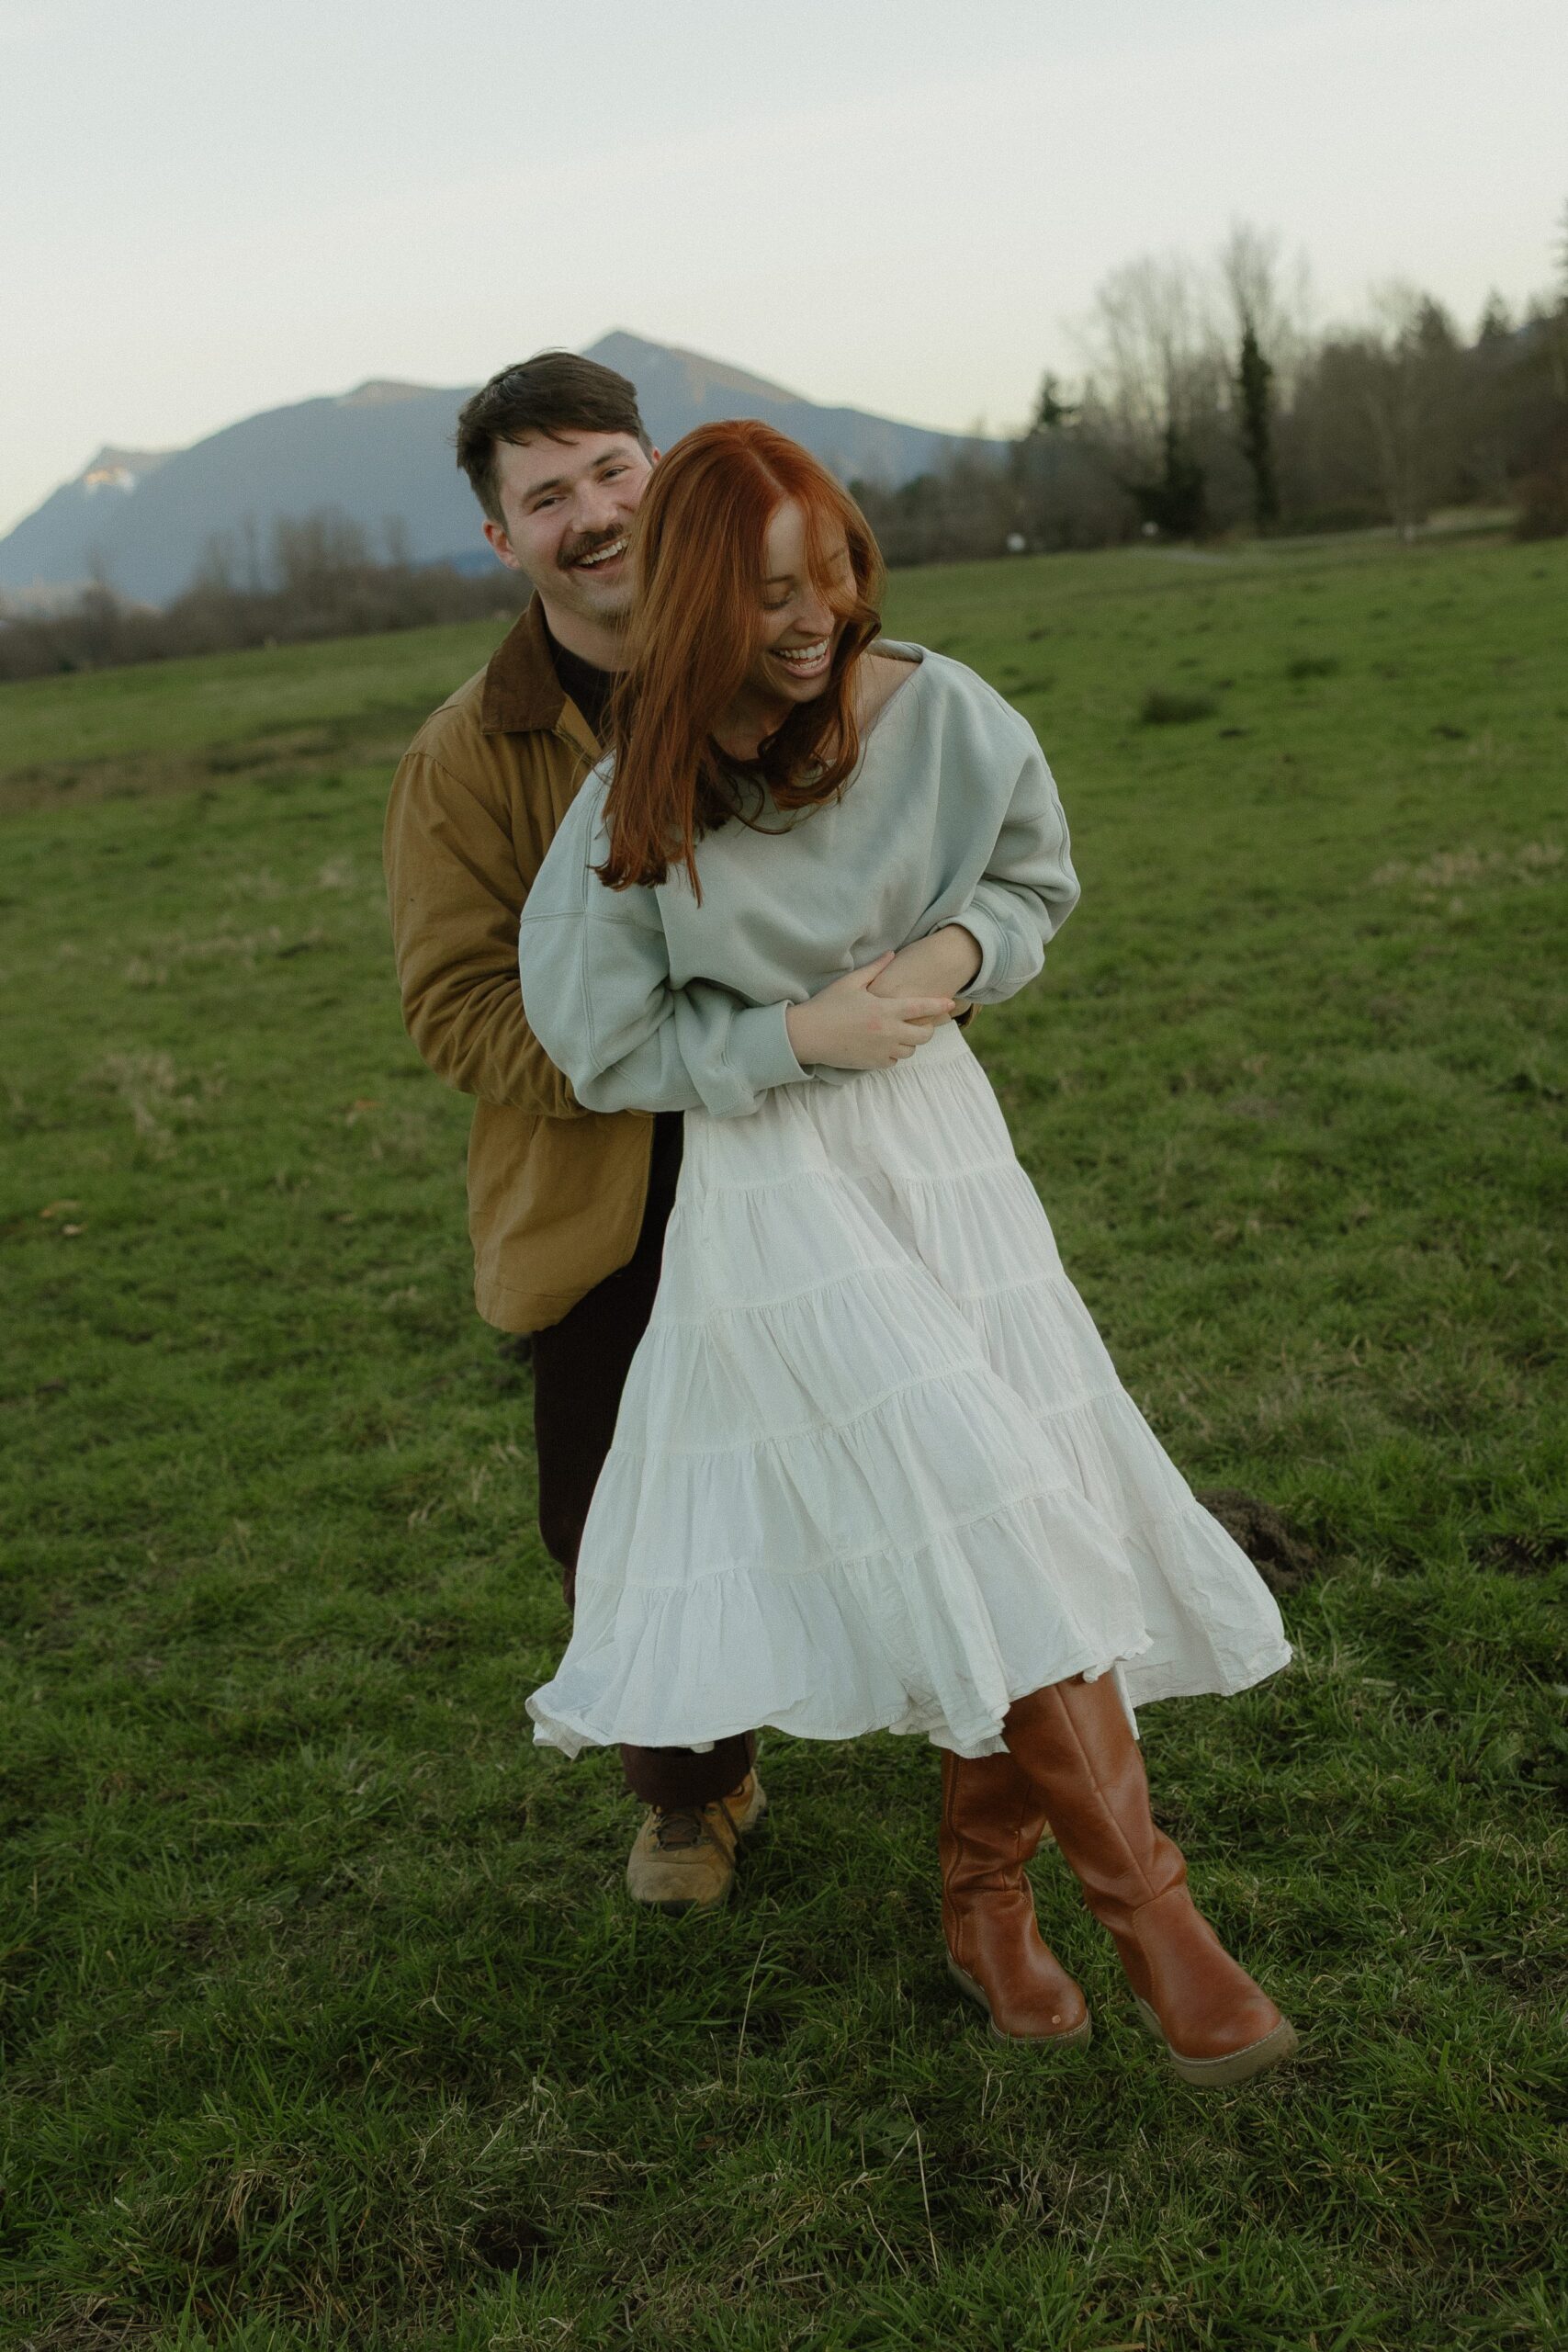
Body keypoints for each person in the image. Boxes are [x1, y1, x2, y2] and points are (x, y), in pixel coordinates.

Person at [516, 420, 1300, 2087]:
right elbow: (599, 1041)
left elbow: (1034, 881)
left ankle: (981, 1898)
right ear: (698, 600)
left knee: (1019, 1502)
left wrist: (947, 950)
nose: (817, 620)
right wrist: (796, 1028)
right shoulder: (631, 794)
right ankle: (1157, 1920)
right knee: (992, 1509)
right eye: (773, 593)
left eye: (838, 573)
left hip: (944, 1151)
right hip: (779, 1188)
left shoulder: (942, 709)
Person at [385, 355, 921, 1913]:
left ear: (665, 470)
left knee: (926, 1449)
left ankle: (997, 1770)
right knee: (619, 1506)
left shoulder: (808, 658)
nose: (596, 517)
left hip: (836, 1141)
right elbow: (456, 1009)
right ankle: (692, 1790)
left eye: (614, 472)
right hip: (610, 1179)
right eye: (547, 498)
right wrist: (687, 1059)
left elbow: (925, 879)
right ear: (504, 541)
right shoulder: (467, 755)